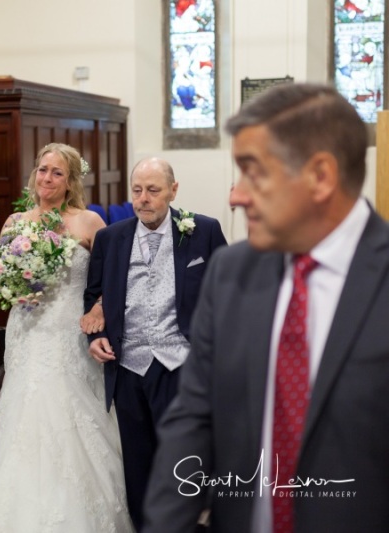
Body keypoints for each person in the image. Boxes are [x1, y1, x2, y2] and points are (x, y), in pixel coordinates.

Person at [144, 83, 389, 532]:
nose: (236, 196)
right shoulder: (232, 272)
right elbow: (195, 418)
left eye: (254, 173)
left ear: (320, 176)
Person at [0, 143, 133, 532]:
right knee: (22, 410)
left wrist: (99, 311)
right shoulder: (14, 223)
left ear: (71, 180)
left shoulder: (89, 222)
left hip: (67, 333)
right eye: (43, 169)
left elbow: (114, 279)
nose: (47, 178)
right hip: (26, 331)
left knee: (70, 412)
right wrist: (12, 289)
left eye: (57, 172)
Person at [85, 157, 227, 530]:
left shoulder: (204, 232)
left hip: (179, 363)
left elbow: (228, 293)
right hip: (128, 365)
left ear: (173, 191)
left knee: (183, 457)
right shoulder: (110, 238)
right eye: (137, 190)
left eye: (153, 190)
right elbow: (93, 297)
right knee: (137, 459)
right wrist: (96, 336)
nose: (143, 199)